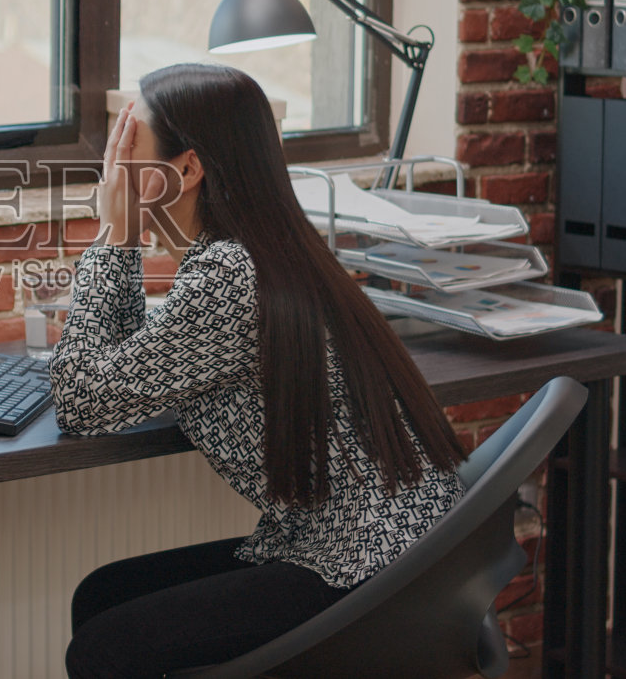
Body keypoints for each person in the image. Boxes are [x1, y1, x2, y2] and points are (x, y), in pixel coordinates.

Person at [50, 63, 468, 679]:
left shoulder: (229, 275)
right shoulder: (269, 248)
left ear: (186, 171)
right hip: (392, 549)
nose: (113, 172)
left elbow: (81, 402)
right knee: (102, 596)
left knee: (105, 647)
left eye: (125, 150)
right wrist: (127, 240)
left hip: (364, 569)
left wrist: (115, 234)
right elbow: (134, 364)